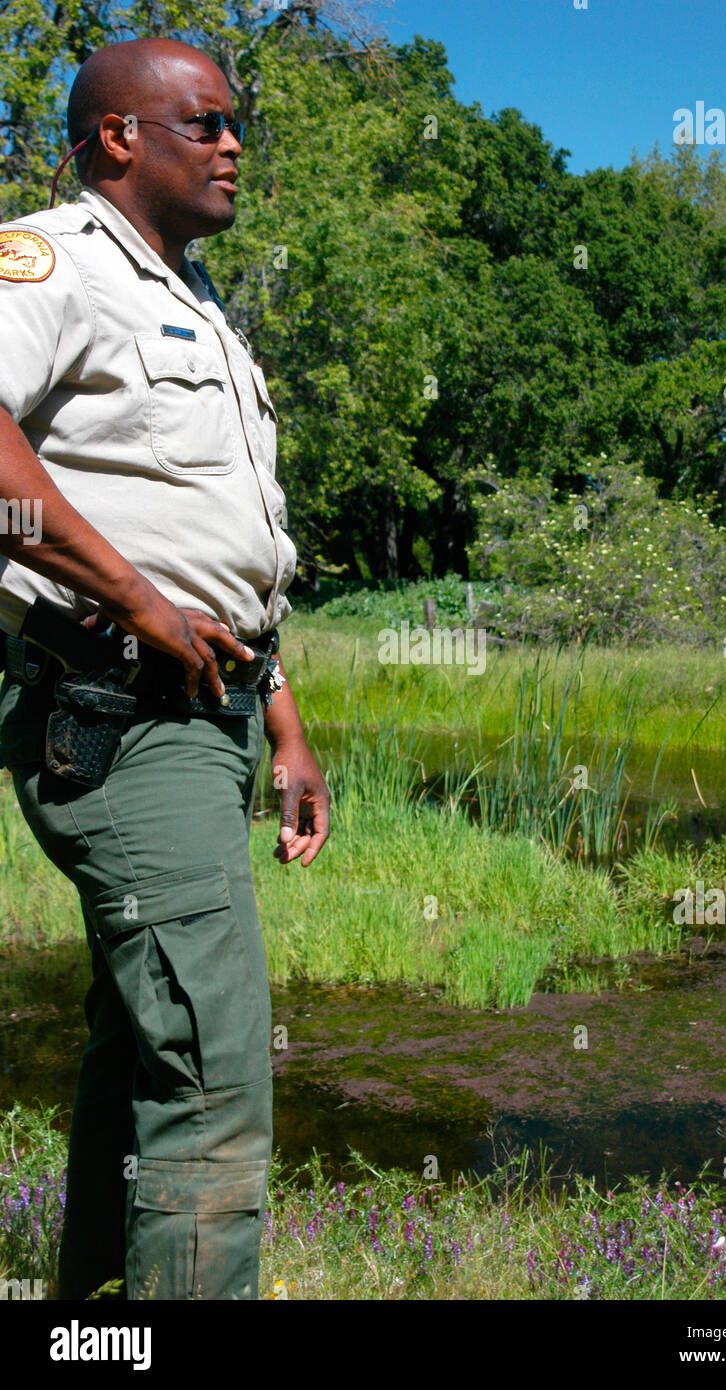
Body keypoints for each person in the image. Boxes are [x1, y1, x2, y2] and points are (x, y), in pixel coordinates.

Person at [0, 36, 330, 1300]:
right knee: (212, 1079)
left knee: (139, 1055)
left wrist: (283, 724)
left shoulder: (197, 305)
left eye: (237, 122)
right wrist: (132, 597)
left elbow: (227, 550)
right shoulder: (52, 263)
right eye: (204, 122)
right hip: (112, 711)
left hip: (213, 718)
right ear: (119, 138)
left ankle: (90, 1325)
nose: (234, 142)